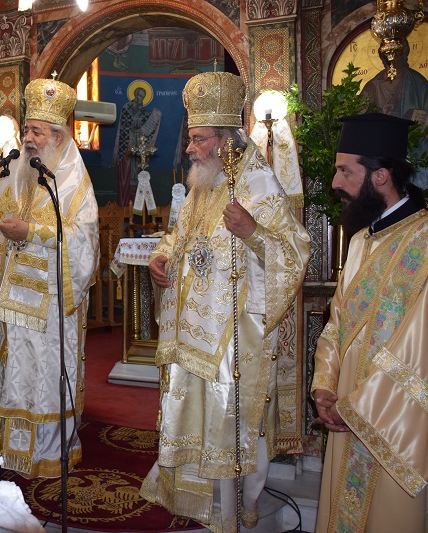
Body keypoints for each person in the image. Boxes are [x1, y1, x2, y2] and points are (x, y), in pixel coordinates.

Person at [139, 71, 310, 532]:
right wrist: (160, 258)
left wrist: (253, 232)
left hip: (231, 334)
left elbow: (295, 252)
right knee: (190, 408)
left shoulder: (258, 183)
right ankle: (188, 496)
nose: (189, 149)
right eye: (191, 139)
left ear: (226, 139)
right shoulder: (203, 182)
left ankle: (229, 510)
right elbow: (179, 235)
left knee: (226, 416)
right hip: (190, 327)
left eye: (198, 140)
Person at [0, 77, 99, 478]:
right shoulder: (13, 168)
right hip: (8, 302)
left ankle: (47, 452)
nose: (28, 138)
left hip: (49, 308)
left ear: (58, 136)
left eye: (37, 132)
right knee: (12, 374)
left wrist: (32, 233)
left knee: (42, 379)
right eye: (27, 130)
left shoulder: (72, 179)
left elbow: (85, 241)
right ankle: (9, 449)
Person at [311, 113, 428, 531]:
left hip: (396, 428)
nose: (335, 183)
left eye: (344, 171)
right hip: (345, 413)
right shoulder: (360, 242)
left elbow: (426, 356)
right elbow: (337, 322)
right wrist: (325, 386)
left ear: (381, 176)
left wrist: (355, 409)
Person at [361, 41, 428, 221]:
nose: (393, 60)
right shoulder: (372, 87)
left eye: (398, 54)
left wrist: (423, 127)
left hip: (416, 163)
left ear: (405, 54)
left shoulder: (418, 83)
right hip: (384, 165)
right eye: (389, 55)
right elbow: (361, 128)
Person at [112, 84, 161, 206]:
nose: (141, 99)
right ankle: (125, 204)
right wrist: (128, 144)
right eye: (139, 96)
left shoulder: (143, 111)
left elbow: (147, 124)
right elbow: (125, 126)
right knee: (127, 172)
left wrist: (155, 116)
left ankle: (137, 204)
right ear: (135, 95)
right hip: (128, 142)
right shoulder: (126, 108)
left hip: (139, 142)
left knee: (138, 169)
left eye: (143, 97)